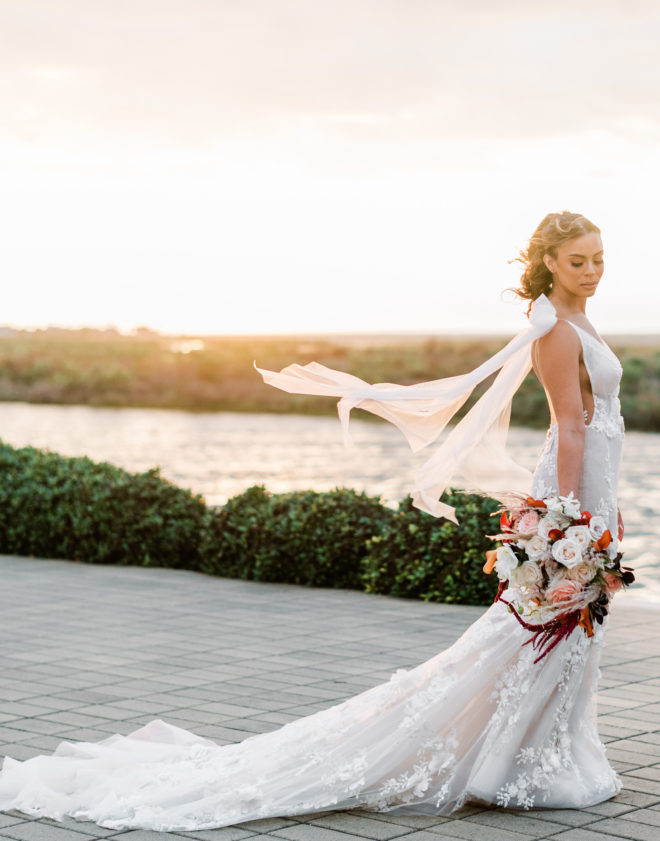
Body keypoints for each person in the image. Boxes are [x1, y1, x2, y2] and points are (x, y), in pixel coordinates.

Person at [0, 210, 625, 830]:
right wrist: (564, 519)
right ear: (549, 262)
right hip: (570, 496)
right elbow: (568, 425)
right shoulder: (557, 332)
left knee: (568, 627)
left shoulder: (580, 319)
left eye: (598, 259)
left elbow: (601, 423)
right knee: (543, 625)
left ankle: (543, 752)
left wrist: (605, 507)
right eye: (578, 261)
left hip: (592, 491)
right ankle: (524, 760)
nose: (592, 271)